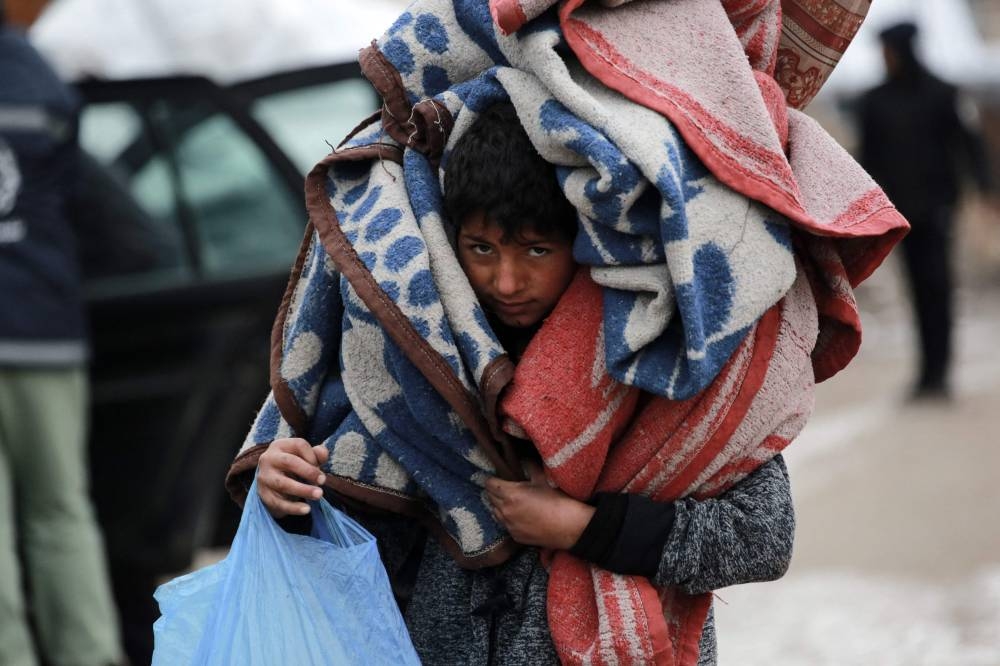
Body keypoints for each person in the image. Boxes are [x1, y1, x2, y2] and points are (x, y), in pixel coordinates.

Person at [253, 103, 795, 665]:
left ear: (587, 245)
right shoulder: (421, 364)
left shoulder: (659, 364)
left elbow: (762, 538)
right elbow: (373, 543)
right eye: (481, 249)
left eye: (537, 250)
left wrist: (584, 528)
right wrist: (291, 496)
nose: (506, 282)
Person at [0, 4, 123, 665]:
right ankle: (91, 655)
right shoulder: (41, 79)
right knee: (60, 513)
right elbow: (87, 199)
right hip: (43, 325)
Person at [858, 21, 993, 400]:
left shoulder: (943, 94)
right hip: (899, 216)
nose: (884, 59)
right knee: (917, 291)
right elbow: (867, 161)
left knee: (939, 288)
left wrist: (985, 190)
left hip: (937, 209)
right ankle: (926, 373)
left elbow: (970, 145)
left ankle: (941, 370)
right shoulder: (876, 101)